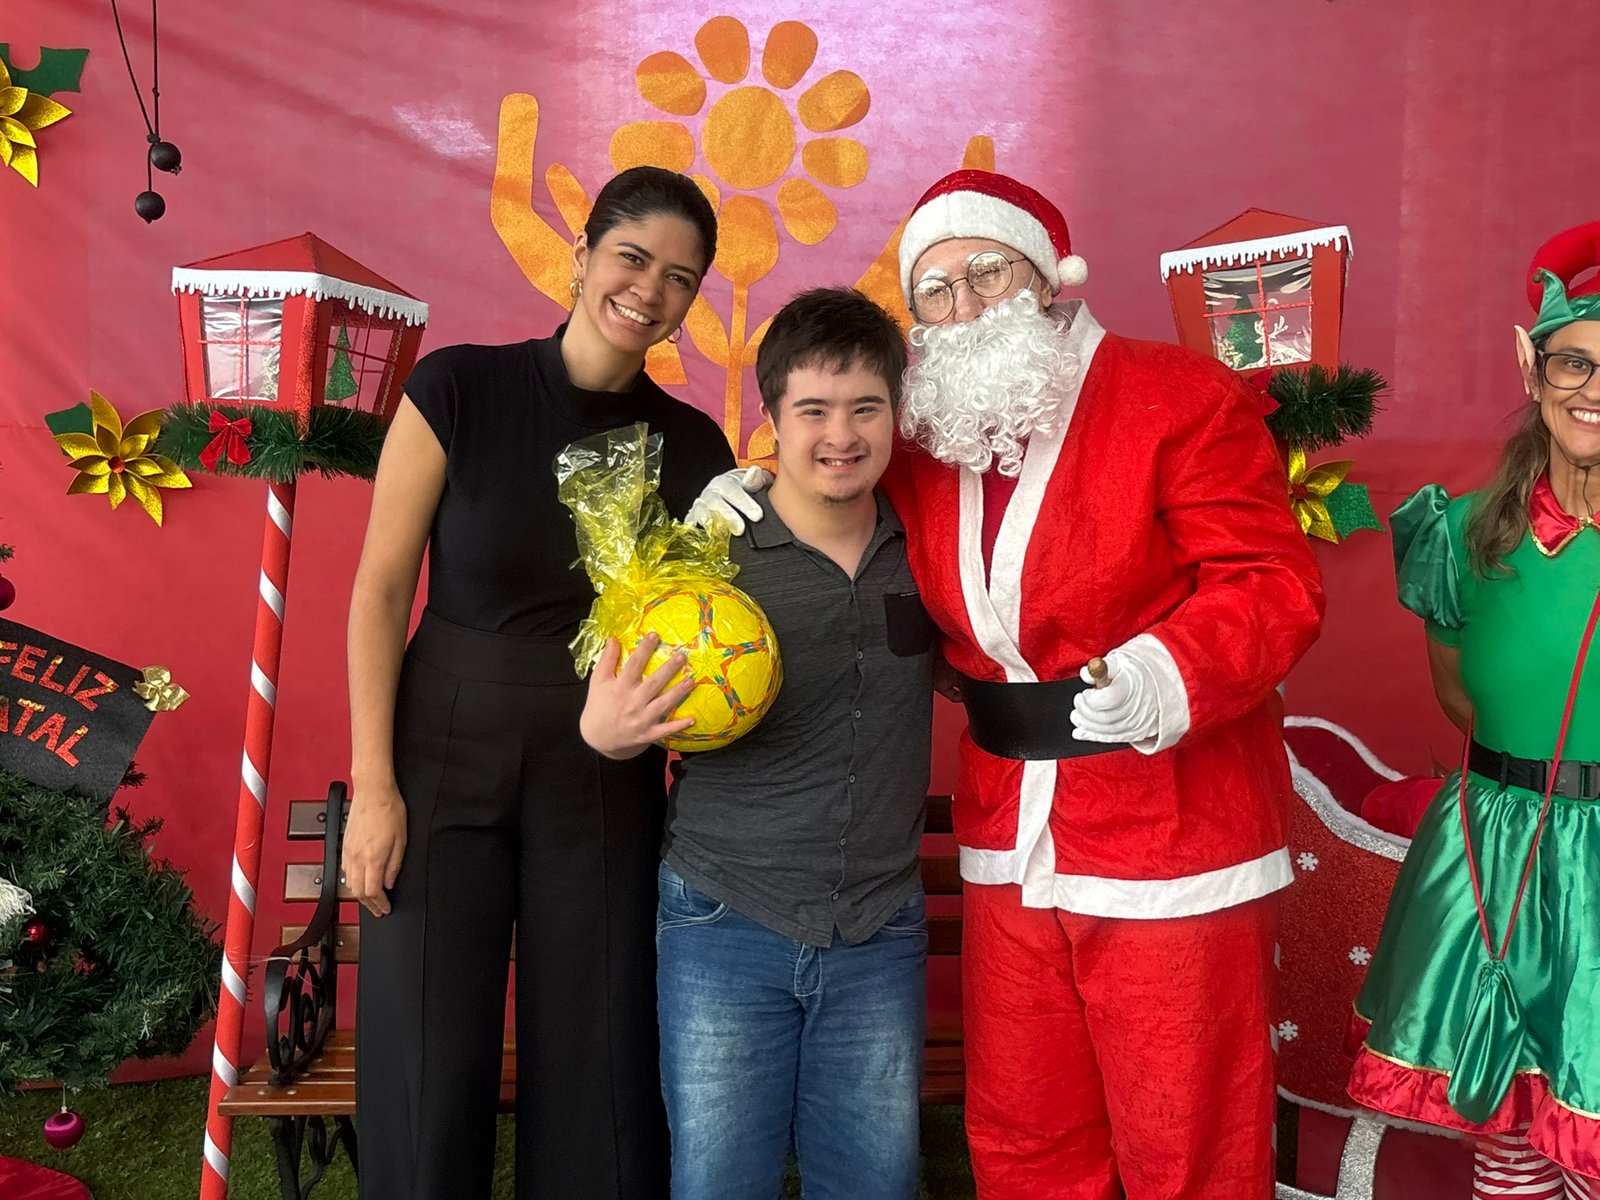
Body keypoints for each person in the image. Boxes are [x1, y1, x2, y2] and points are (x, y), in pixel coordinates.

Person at [699, 169, 1325, 1198]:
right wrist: (757, 480)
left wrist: (1168, 670)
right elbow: (829, 455)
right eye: (935, 291)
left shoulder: (1176, 396)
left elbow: (1272, 582)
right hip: (1007, 835)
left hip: (1174, 829)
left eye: (986, 273)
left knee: (1187, 1143)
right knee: (1027, 1133)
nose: (963, 307)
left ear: (1049, 277)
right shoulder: (923, 431)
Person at [340, 166, 736, 1200]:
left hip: (604, 767)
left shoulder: (695, 448)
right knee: (427, 1057)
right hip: (440, 751)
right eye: (632, 258)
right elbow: (381, 592)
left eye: (680, 278)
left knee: (600, 1056)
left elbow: (707, 633)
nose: (650, 291)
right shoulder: (456, 391)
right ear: (581, 256)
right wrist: (374, 789)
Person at [581, 288, 935, 1200]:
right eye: (813, 410)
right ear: (771, 417)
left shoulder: (932, 547)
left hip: (879, 928)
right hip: (725, 921)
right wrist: (605, 730)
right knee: (719, 1184)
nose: (840, 435)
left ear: (897, 412)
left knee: (873, 1187)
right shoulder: (707, 557)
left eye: (865, 407)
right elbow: (608, 716)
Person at [1348, 224, 1600, 1198]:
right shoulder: (1462, 533)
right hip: (1500, 848)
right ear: (1531, 367)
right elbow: (1457, 693)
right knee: (1509, 1118)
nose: (1592, 389)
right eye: (1574, 362)